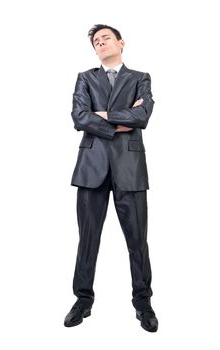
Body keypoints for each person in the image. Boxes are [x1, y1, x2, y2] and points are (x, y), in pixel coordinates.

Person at [64, 24, 158, 332]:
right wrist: (119, 121)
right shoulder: (85, 78)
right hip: (91, 167)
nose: (100, 43)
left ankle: (143, 303)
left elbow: (142, 117)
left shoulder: (140, 78)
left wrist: (102, 115)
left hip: (129, 167)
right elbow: (79, 117)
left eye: (105, 38)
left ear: (121, 42)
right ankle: (83, 300)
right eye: (96, 41)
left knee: (137, 241)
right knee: (87, 239)